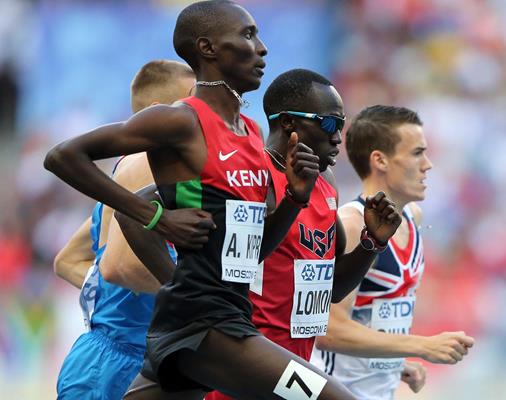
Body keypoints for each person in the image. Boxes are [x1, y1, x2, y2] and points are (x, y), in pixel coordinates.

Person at [44, 2, 389, 398]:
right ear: (208, 48)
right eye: (247, 35)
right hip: (205, 327)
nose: (262, 48)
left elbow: (251, 253)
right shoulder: (180, 121)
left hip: (215, 321)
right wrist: (157, 218)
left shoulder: (249, 132)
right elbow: (64, 156)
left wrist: (294, 199)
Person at [115, 69, 403, 400]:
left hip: (290, 364)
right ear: (289, 125)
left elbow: (332, 289)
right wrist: (180, 288)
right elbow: (132, 211)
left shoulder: (324, 185)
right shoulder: (251, 174)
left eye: (341, 125)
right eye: (328, 124)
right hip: (240, 364)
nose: (338, 137)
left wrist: (372, 242)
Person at [53, 59, 202, 399]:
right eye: (190, 103)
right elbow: (119, 267)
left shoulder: (140, 181)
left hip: (130, 354)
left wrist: (116, 305)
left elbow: (69, 261)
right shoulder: (145, 162)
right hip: (119, 362)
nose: (199, 116)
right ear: (156, 112)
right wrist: (200, 297)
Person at [310, 105, 476, 399]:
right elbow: (328, 331)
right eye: (416, 153)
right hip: (335, 391)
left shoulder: (414, 216)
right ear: (380, 160)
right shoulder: (351, 224)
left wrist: (394, 362)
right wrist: (422, 345)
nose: (428, 165)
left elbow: (373, 317)